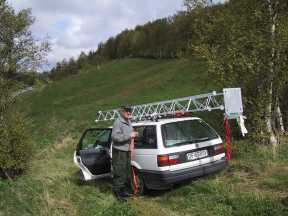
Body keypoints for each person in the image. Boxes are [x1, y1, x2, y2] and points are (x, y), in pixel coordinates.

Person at [111, 105, 137, 201]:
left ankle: (123, 191)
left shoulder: (129, 122)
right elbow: (115, 137)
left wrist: (132, 146)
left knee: (126, 172)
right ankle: (117, 193)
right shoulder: (118, 122)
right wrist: (129, 135)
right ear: (122, 112)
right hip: (119, 151)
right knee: (119, 171)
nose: (129, 113)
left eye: (130, 111)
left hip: (127, 150)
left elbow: (131, 136)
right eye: (127, 111)